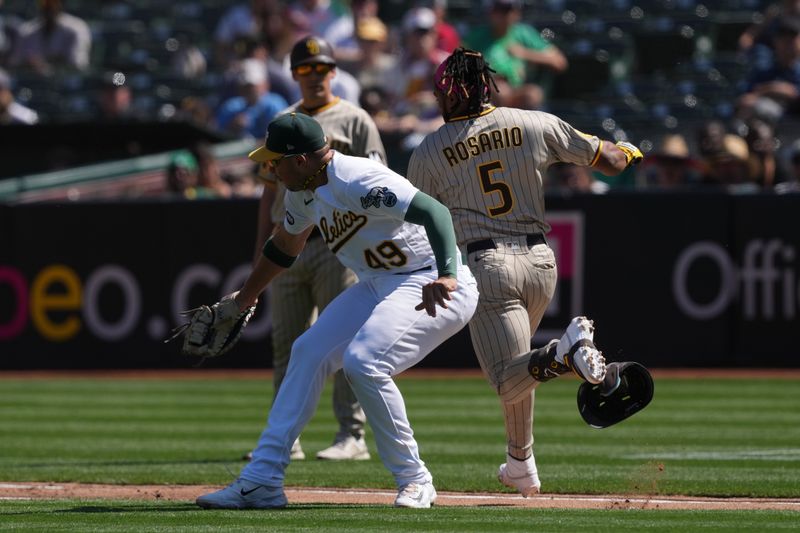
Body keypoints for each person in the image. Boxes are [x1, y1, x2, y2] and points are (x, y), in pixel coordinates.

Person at [195, 111, 479, 509]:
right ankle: (262, 480)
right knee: (308, 350)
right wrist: (244, 298)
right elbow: (284, 247)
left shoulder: (358, 179)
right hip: (378, 283)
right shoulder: (302, 190)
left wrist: (448, 274)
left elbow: (436, 212)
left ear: (300, 160)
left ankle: (415, 479)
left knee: (364, 362)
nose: (270, 168)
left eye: (275, 160)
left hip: (430, 280)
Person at [406, 48, 643, 497]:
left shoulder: (431, 149)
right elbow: (610, 160)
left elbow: (415, 220)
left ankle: (563, 353)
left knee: (504, 378)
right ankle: (521, 463)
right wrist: (630, 153)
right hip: (541, 263)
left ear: (451, 94)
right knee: (522, 371)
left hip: (487, 264)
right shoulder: (534, 120)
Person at [250, 35, 387, 462]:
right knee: (287, 343)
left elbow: (378, 182)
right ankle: (284, 436)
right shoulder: (282, 120)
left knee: (343, 340)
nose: (315, 77)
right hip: (288, 240)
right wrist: (261, 251)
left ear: (334, 72)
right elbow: (268, 194)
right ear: (294, 75)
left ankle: (351, 434)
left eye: (322, 69)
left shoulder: (355, 119)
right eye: (306, 70)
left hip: (335, 244)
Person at [463, 0, 567, 110]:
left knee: (533, 94)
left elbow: (560, 62)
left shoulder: (524, 34)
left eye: (508, 10)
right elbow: (458, 64)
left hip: (517, 90)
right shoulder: (476, 36)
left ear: (516, 13)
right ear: (491, 12)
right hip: (485, 92)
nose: (503, 15)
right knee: (499, 90)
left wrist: (524, 53)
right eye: (498, 10)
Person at [9, 0, 91, 74]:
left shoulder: (76, 29)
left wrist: (48, 62)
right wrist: (30, 64)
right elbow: (16, 63)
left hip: (66, 85)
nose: (49, 6)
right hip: (32, 84)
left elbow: (78, 65)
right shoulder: (27, 31)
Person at [215, 58, 288, 139]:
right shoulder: (230, 107)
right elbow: (217, 134)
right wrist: (231, 127)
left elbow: (282, 136)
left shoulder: (275, 105)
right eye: (246, 85)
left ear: (265, 84)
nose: (249, 89)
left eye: (253, 85)